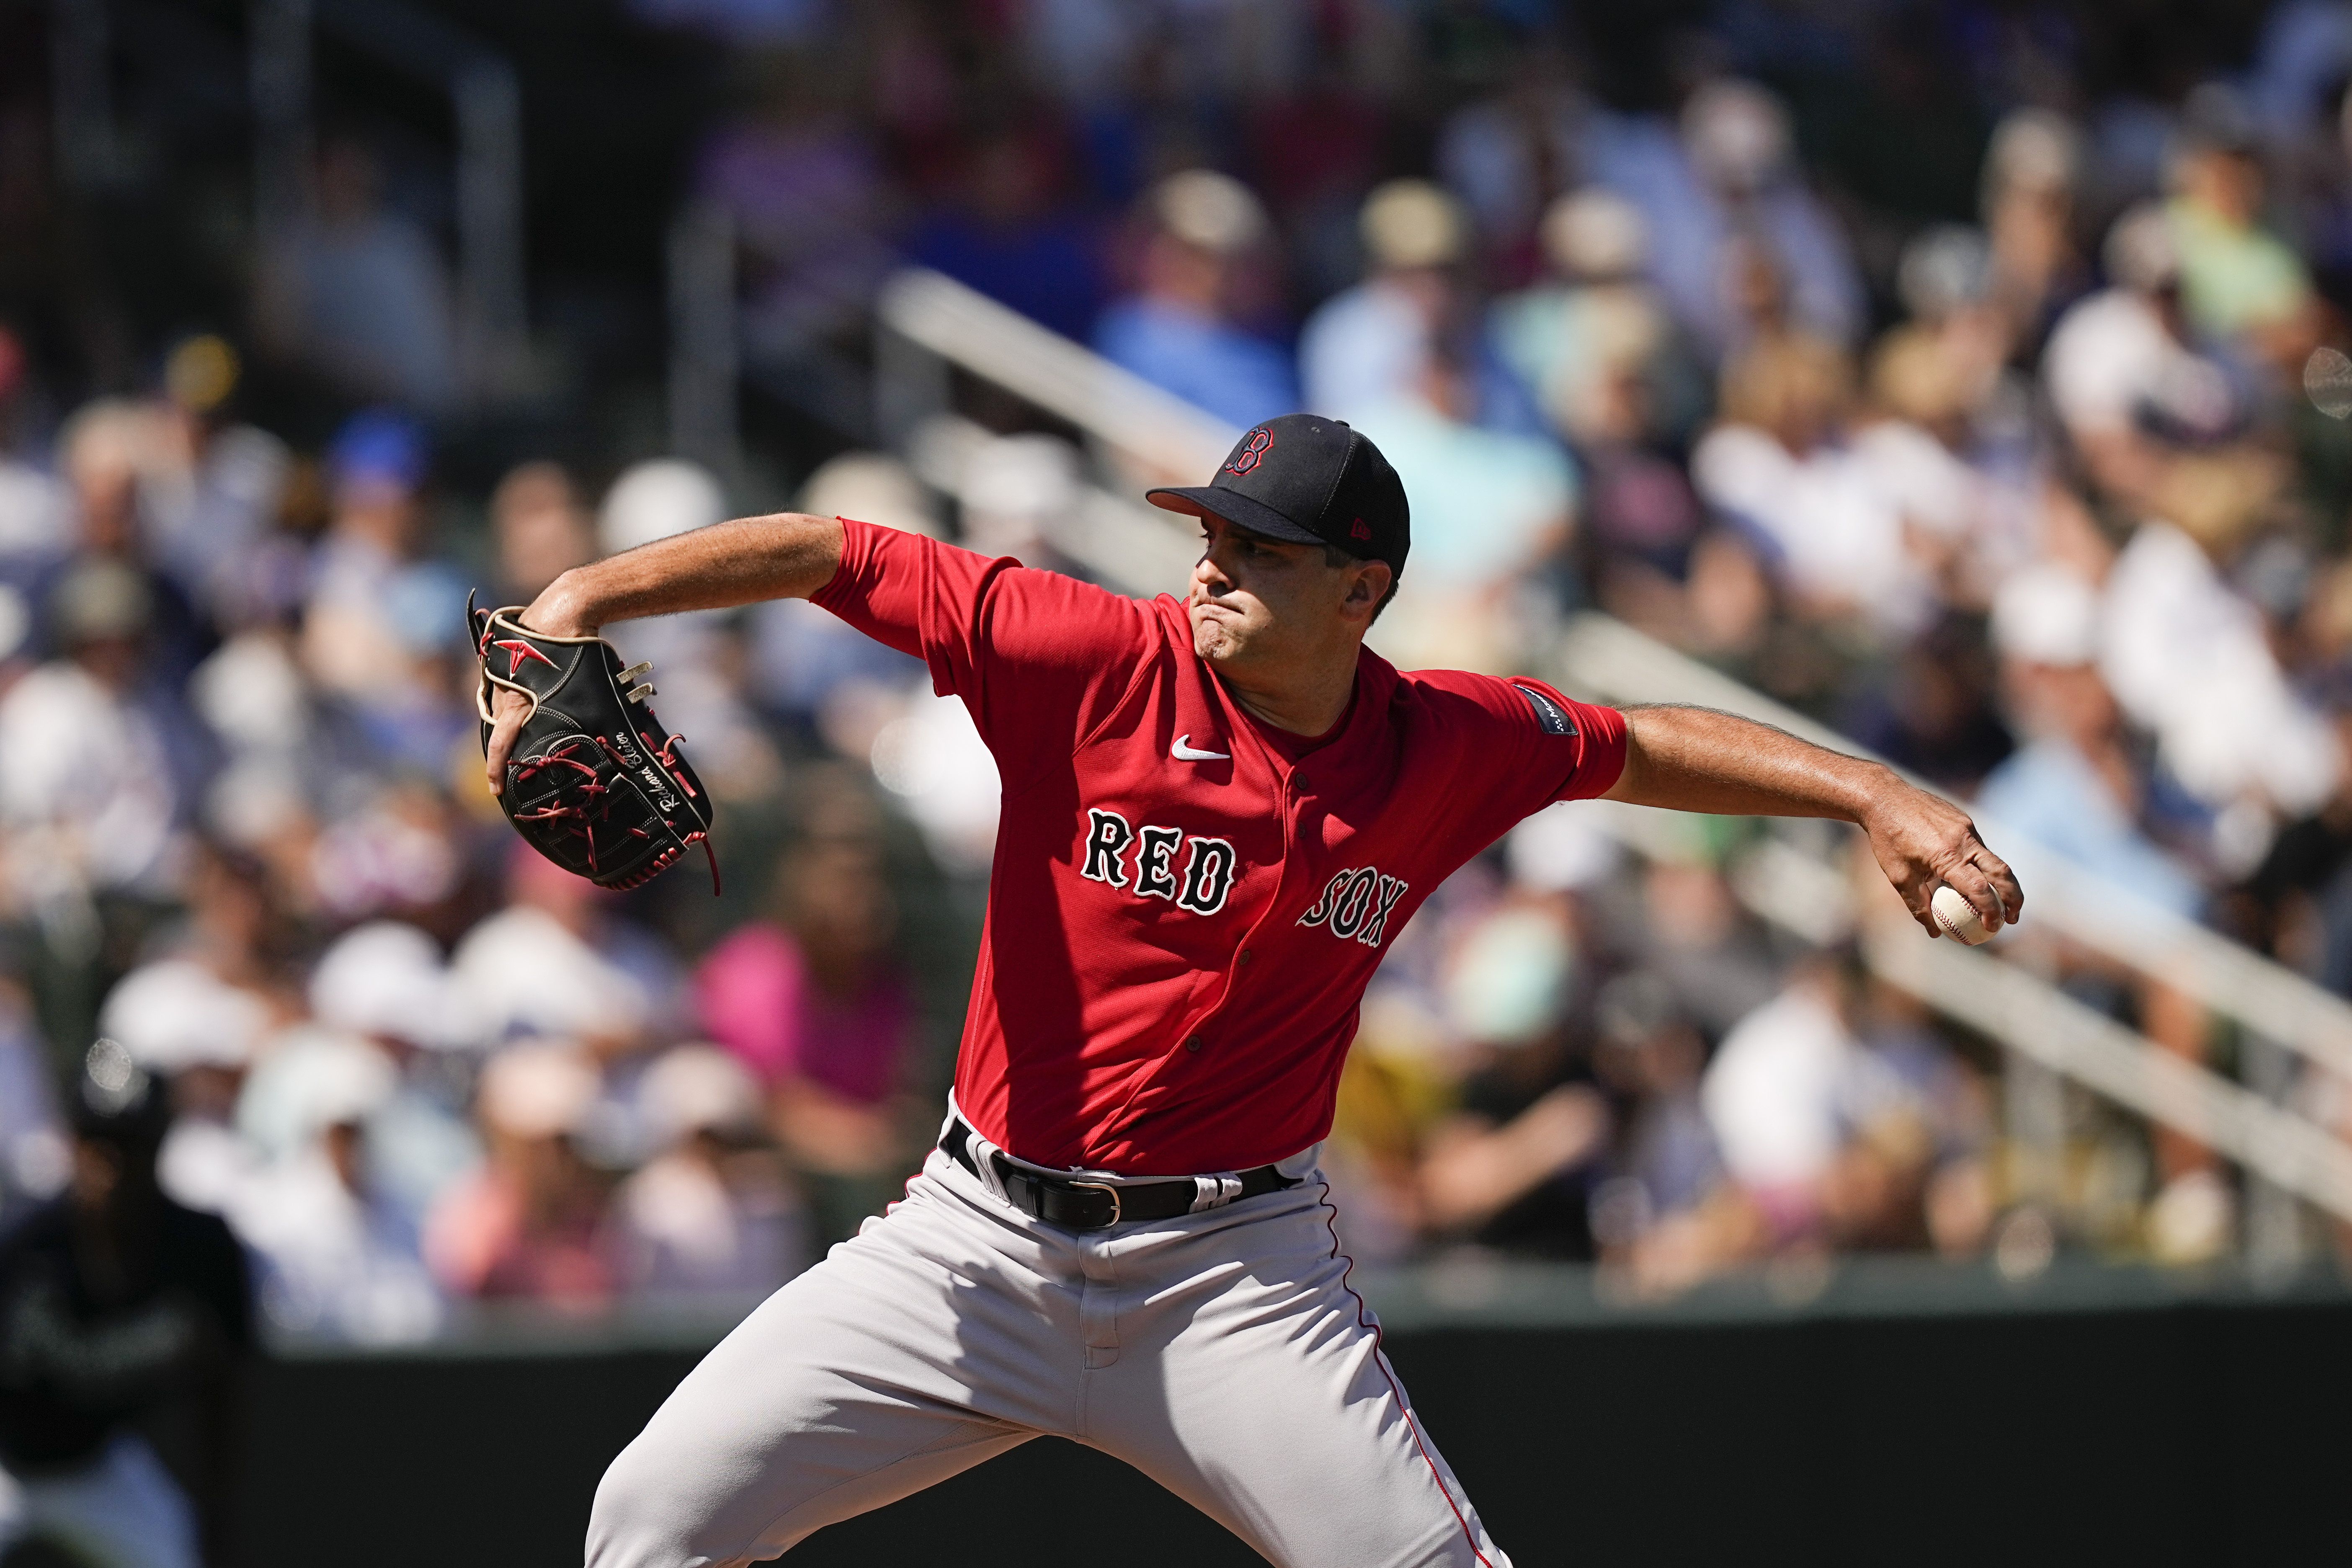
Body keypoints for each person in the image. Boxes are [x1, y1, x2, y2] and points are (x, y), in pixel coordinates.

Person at [485, 412, 2021, 1568]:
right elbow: (843, 551)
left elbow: (1636, 741)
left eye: (1260, 549)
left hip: (1228, 1272)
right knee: (655, 1516)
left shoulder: (1442, 742)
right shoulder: (1089, 657)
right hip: (969, 1245)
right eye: (1209, 534)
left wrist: (1867, 793)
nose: (1212, 563)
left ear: (1360, 590)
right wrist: (579, 597)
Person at [0, 1039, 253, 1568]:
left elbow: (222, 1395)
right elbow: (69, 1365)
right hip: (8, 1465)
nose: (113, 1166)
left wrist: (218, 1517)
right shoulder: (27, 1245)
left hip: (98, 1464)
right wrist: (163, 1343)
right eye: (99, 1142)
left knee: (174, 1555)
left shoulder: (199, 1247)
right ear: (72, 1143)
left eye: (131, 1145)